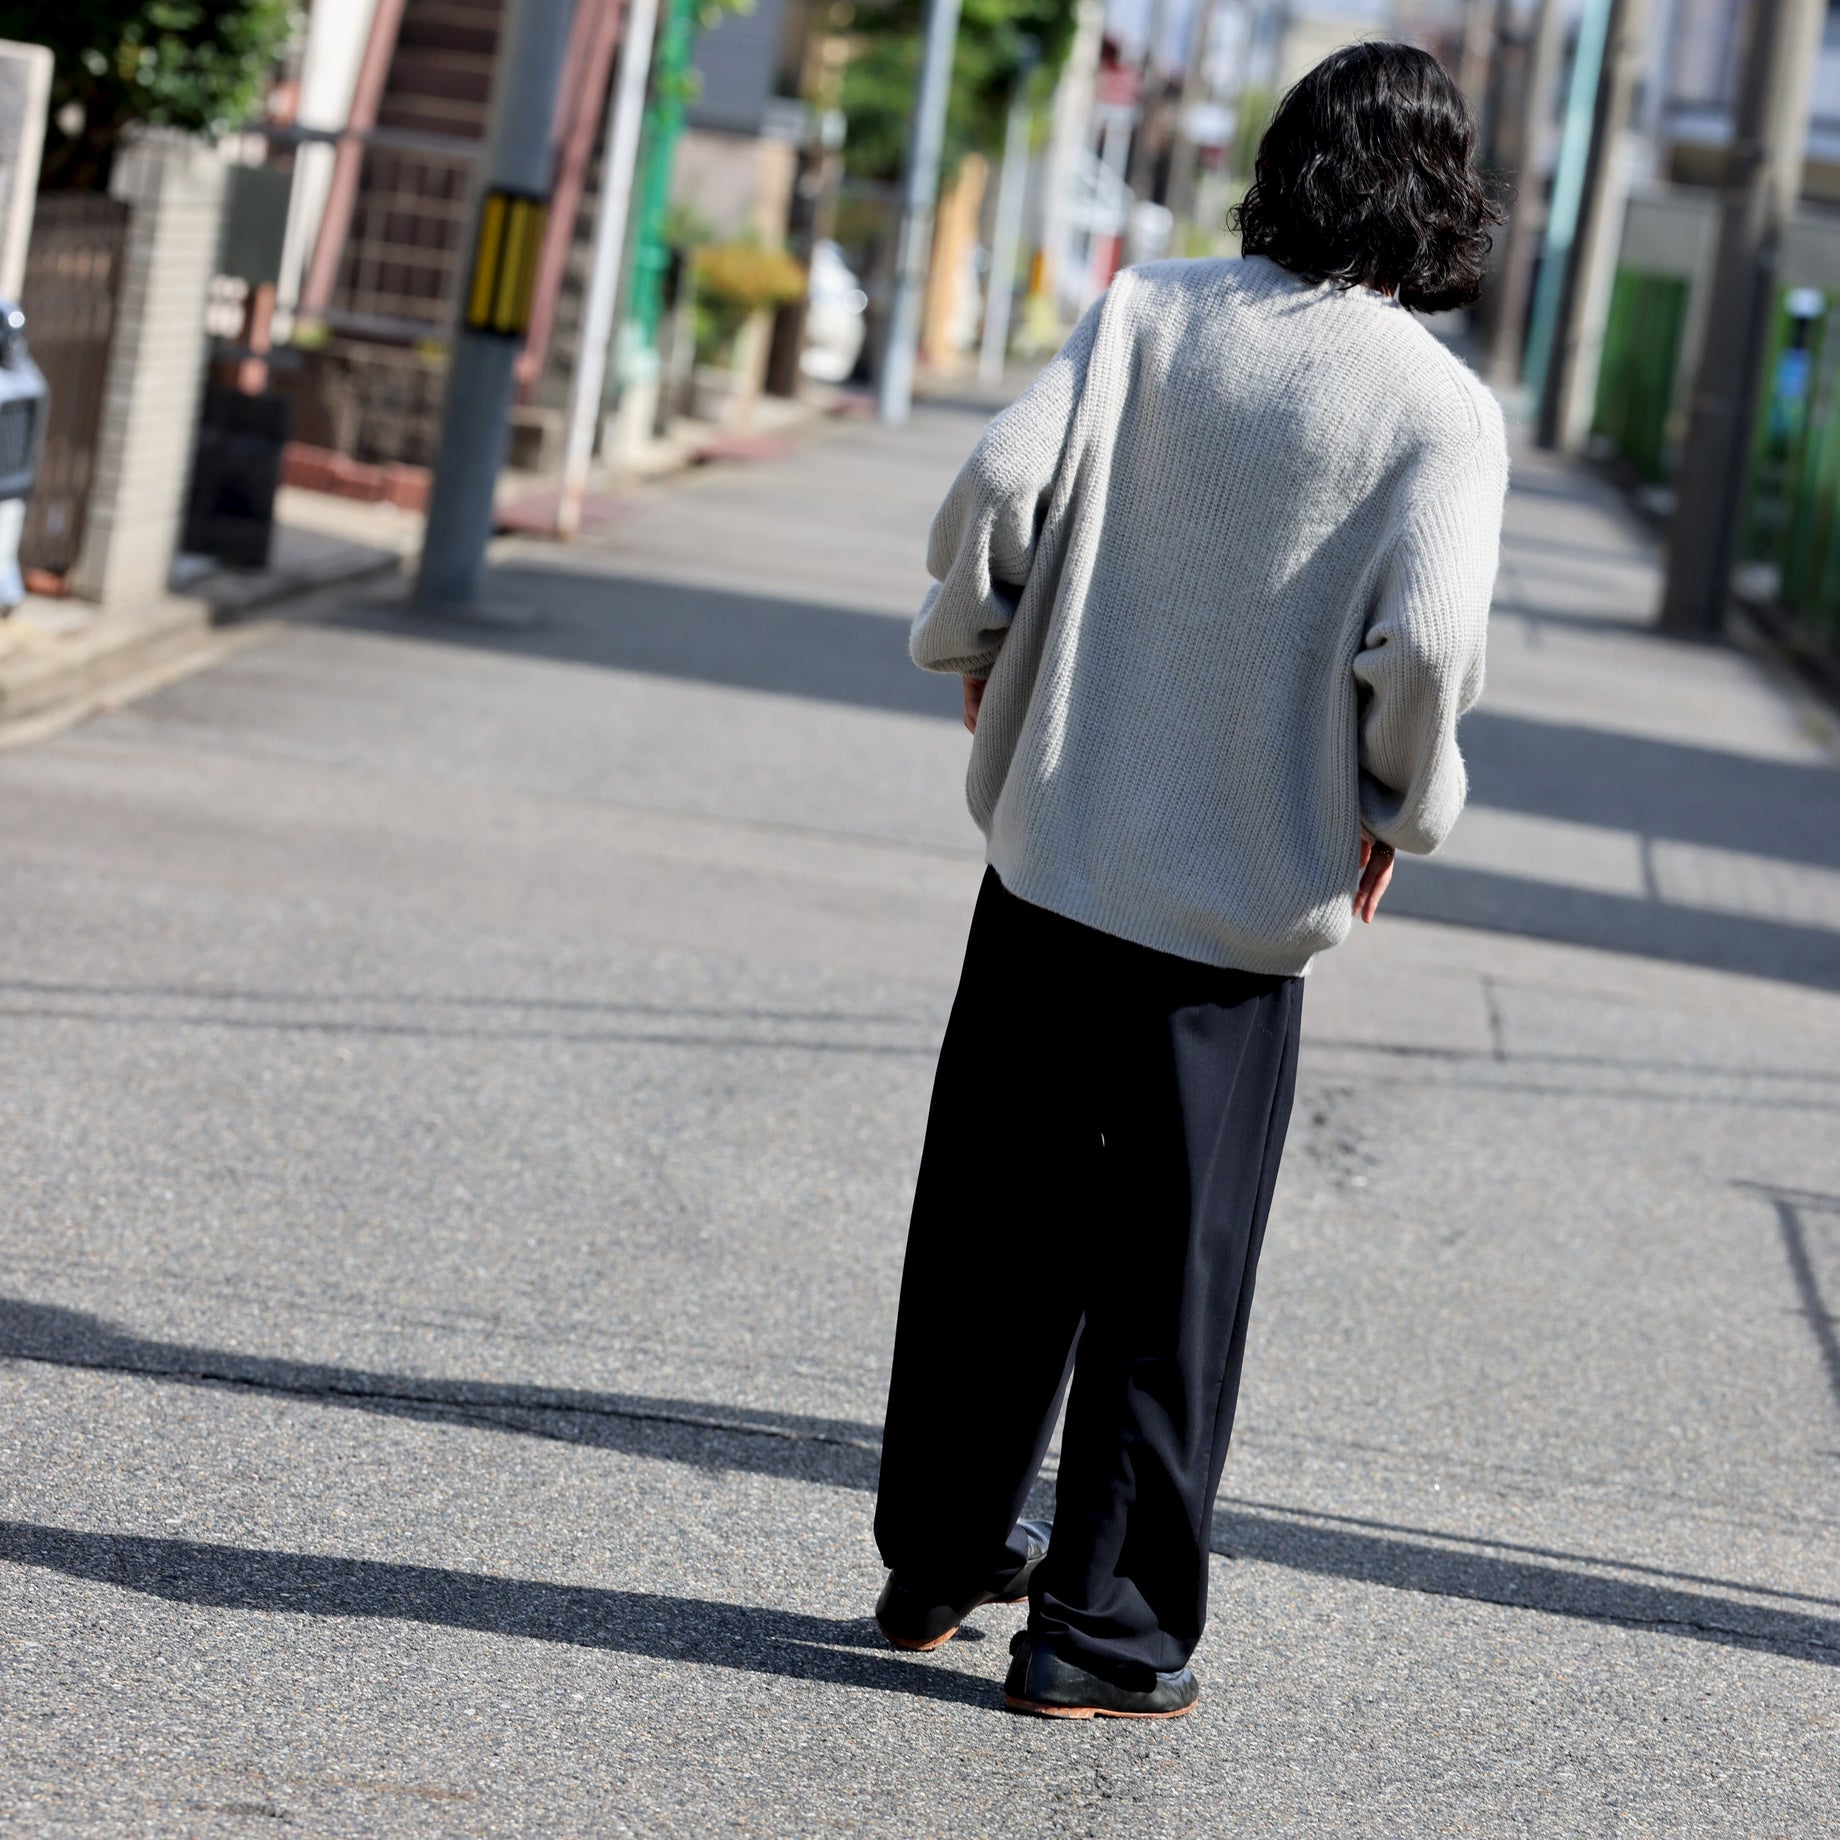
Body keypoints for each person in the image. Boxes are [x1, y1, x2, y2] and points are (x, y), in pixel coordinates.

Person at [870, 42, 1510, 1720]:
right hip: (1231, 917)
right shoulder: (1440, 410)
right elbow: (1427, 643)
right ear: (1445, 196)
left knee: (988, 1230)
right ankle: (1098, 1636)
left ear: (1284, 160)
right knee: (1171, 1276)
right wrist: (1399, 808)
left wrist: (974, 646)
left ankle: (938, 1555)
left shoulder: (1148, 311)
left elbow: (1002, 487)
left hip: (1055, 855)